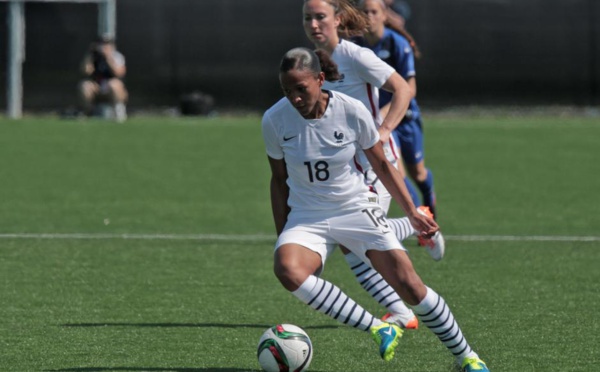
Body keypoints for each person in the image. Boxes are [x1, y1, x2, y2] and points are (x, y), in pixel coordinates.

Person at [263, 47, 489, 371]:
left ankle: (467, 357)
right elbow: (279, 180)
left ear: (320, 79)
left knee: (410, 286)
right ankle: (378, 327)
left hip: (355, 207)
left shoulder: (351, 110)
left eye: (301, 89)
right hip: (307, 215)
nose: (295, 98)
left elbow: (382, 164)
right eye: (287, 91)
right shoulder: (274, 119)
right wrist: (283, 234)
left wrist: (412, 210)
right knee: (287, 268)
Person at [302, 0, 444, 332]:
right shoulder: (310, 61)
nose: (314, 24)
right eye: (307, 18)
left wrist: (382, 131)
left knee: (356, 239)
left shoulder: (355, 56)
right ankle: (418, 226)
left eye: (320, 16)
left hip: (376, 163)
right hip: (346, 166)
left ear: (337, 20)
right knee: (356, 242)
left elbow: (403, 90)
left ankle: (416, 230)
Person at [356, 0, 437, 219]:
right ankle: (422, 221)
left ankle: (429, 198)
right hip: (382, 124)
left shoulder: (397, 44)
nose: (369, 16)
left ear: (384, 15)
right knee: (397, 173)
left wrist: (384, 112)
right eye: (364, 12)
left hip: (406, 117)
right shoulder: (355, 49)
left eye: (374, 11)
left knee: (418, 174)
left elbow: (409, 88)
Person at [78, 34, 128, 122]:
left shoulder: (117, 56)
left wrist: (108, 58)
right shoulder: (94, 57)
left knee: (114, 85)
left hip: (111, 88)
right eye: (102, 44)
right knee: (84, 85)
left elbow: (119, 73)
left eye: (107, 44)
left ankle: (118, 112)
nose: (104, 46)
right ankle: (88, 112)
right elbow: (86, 71)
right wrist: (90, 55)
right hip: (97, 86)